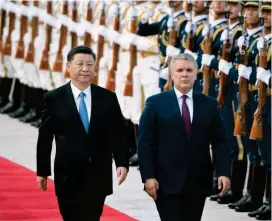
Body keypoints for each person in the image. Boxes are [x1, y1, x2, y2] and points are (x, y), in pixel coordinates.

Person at [36, 45, 129, 221]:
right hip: (67, 174)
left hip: (97, 173)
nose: (85, 69)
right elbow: (45, 137)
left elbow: (118, 133)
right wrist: (42, 171)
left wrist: (121, 163)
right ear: (68, 67)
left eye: (90, 64)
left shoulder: (107, 98)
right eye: (80, 64)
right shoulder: (54, 98)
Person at [138, 53, 231, 221]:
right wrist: (147, 176)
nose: (184, 74)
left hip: (198, 182)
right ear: (172, 74)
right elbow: (146, 143)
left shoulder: (209, 104)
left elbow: (220, 142)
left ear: (196, 74)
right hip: (165, 182)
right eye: (179, 70)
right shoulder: (155, 103)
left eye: (189, 70)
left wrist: (224, 172)